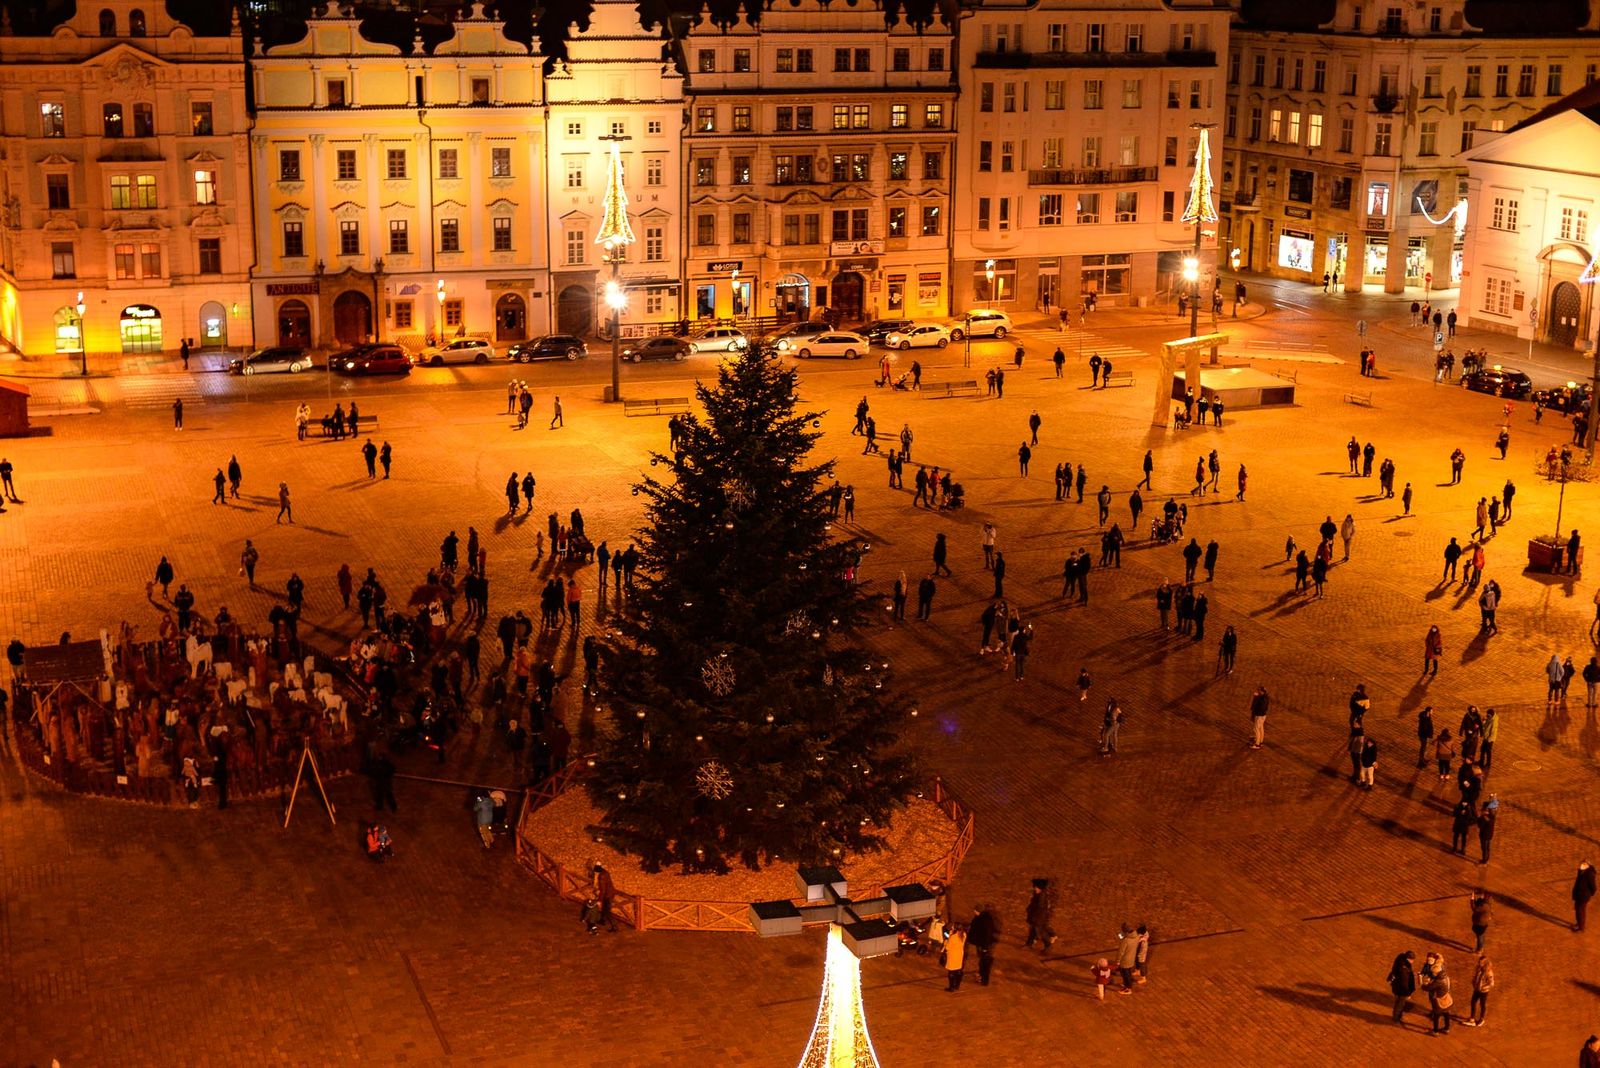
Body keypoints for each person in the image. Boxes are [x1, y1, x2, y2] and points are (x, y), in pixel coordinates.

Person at [1387, 950, 1417, 1023]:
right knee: (1400, 1004)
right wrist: (1408, 993)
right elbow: (1404, 983)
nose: (1413, 961)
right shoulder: (1404, 969)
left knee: (1398, 1003)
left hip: (1397, 987)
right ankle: (1396, 1018)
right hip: (1401, 990)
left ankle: (1398, 1016)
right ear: (1408, 958)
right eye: (1412, 959)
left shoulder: (1400, 961)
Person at [1115, 923, 1139, 994]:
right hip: (1131, 958)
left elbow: (1121, 952)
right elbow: (1121, 936)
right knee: (1128, 972)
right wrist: (1122, 935)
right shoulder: (1136, 936)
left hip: (1125, 960)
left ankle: (1128, 988)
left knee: (1125, 974)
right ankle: (1126, 984)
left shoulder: (1125, 940)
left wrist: (1118, 961)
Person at [1575, 861, 1597, 931]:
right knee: (1581, 910)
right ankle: (1580, 924)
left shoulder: (1589, 874)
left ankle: (1580, 927)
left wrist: (1589, 894)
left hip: (1583, 896)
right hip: (1579, 894)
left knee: (1579, 911)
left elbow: (1594, 887)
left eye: (1584, 864)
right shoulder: (1582, 871)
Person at [944, 923, 967, 990]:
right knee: (958, 970)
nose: (952, 927)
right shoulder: (964, 934)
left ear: (955, 928)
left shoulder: (953, 937)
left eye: (953, 926)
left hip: (953, 955)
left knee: (951, 971)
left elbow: (948, 947)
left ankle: (951, 987)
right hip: (959, 954)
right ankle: (957, 985)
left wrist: (947, 941)